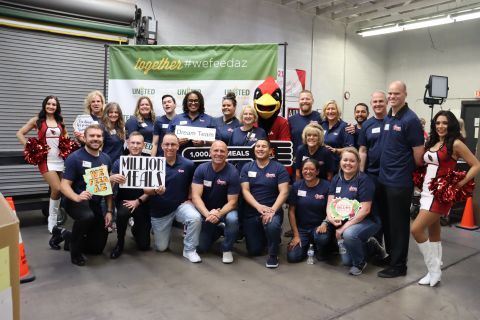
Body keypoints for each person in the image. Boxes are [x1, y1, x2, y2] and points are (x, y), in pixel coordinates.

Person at [411, 111, 480, 286]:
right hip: (426, 191)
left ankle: (434, 269)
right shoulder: (433, 141)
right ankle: (434, 271)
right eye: (438, 123)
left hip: (440, 194)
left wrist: (460, 183)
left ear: (451, 125)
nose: (441, 126)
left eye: (445, 123)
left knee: (416, 229)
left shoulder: (456, 143)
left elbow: (476, 165)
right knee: (434, 231)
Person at [377, 81, 425, 278]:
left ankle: (399, 266)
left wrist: (406, 170)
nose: (392, 96)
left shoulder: (410, 120)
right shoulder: (390, 116)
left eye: (396, 93)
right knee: (388, 222)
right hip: (384, 178)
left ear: (405, 94)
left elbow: (419, 155)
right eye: (390, 93)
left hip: (399, 181)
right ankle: (392, 256)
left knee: (398, 224)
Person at [145, 133, 203, 263]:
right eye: (166, 144)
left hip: (180, 206)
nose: (169, 147)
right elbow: (146, 190)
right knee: (161, 248)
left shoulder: (188, 164)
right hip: (160, 211)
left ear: (178, 146)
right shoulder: (153, 163)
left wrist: (190, 198)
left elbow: (191, 184)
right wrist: (155, 191)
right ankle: (159, 230)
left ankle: (189, 250)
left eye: (173, 144)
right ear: (161, 146)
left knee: (195, 218)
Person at [60, 124, 112, 266]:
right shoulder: (74, 158)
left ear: (102, 138)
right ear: (84, 137)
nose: (95, 139)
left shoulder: (106, 159)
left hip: (94, 202)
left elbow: (107, 188)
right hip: (75, 201)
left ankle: (68, 237)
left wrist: (109, 211)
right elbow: (63, 185)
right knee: (86, 216)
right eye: (92, 136)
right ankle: (75, 253)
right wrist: (77, 197)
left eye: (99, 136)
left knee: (97, 248)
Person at [16, 95, 67, 233]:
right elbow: (20, 133)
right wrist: (31, 147)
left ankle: (55, 218)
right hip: (45, 160)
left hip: (59, 159)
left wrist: (67, 146)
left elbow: (65, 136)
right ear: (44, 105)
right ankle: (52, 220)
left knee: (60, 190)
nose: (51, 106)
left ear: (57, 107)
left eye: (54, 104)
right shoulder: (37, 120)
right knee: (57, 188)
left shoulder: (60, 120)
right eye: (49, 104)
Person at [326, 148, 381, 276]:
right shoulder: (336, 178)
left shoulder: (364, 180)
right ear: (340, 161)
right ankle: (370, 245)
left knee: (349, 234)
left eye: (352, 161)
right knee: (346, 262)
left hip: (368, 220)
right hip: (347, 220)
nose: (348, 163)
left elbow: (365, 210)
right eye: (345, 160)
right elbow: (330, 203)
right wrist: (331, 217)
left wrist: (342, 228)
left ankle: (360, 263)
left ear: (358, 162)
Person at [240, 139, 289, 268]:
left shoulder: (279, 168)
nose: (260, 149)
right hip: (252, 211)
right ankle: (269, 236)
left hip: (272, 210)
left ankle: (273, 254)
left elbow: (284, 192)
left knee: (272, 225)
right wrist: (258, 207)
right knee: (254, 251)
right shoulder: (247, 167)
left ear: (270, 151)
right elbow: (245, 190)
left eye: (264, 147)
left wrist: (272, 210)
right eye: (258, 146)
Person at [192, 140, 240, 263]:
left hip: (226, 211)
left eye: (222, 151)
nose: (219, 153)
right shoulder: (201, 169)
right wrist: (208, 214)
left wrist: (218, 214)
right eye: (216, 150)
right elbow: (196, 196)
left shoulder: (233, 172)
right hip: (206, 212)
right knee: (201, 248)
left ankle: (227, 249)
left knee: (233, 219)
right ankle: (219, 229)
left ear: (227, 154)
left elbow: (233, 202)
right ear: (210, 153)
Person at [109, 132, 152, 259]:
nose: (135, 145)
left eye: (138, 143)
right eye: (132, 143)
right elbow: (109, 190)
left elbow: (152, 190)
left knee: (144, 246)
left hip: (143, 201)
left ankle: (135, 230)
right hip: (124, 200)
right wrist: (111, 178)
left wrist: (138, 201)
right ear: (127, 144)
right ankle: (120, 242)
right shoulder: (119, 162)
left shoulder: (150, 162)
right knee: (122, 213)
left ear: (143, 145)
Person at [358, 91, 388, 249]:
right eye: (375, 102)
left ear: (387, 102)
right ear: (371, 104)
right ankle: (376, 246)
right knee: (374, 212)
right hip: (372, 175)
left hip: (391, 177)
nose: (377, 104)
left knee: (388, 213)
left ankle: (390, 249)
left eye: (380, 101)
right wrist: (361, 175)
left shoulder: (393, 121)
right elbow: (362, 150)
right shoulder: (367, 125)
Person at [287, 159, 332, 263]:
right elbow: (291, 211)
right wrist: (296, 235)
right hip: (302, 229)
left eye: (312, 169)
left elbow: (331, 209)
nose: (308, 172)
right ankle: (307, 244)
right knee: (293, 257)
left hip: (320, 227)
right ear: (301, 171)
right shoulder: (296, 186)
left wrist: (325, 224)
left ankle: (321, 247)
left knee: (322, 242)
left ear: (317, 172)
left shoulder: (327, 186)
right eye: (305, 169)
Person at [229, 105, 267, 170]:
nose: (248, 116)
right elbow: (229, 152)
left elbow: (266, 151)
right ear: (242, 116)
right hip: (237, 170)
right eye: (245, 114)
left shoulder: (261, 132)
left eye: (250, 114)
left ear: (254, 117)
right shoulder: (235, 132)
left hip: (256, 169)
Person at [321, 100, 354, 172]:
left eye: (333, 109)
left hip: (337, 166)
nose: (330, 111)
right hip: (322, 165)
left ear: (337, 111)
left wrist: (336, 150)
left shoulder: (345, 127)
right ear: (324, 111)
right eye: (328, 109)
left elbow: (351, 149)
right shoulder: (322, 125)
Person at [288, 90, 322, 155]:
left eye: (308, 99)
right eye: (302, 99)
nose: (305, 101)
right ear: (299, 101)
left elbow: (333, 123)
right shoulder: (291, 120)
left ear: (312, 101)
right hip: (296, 159)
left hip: (315, 159)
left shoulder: (320, 117)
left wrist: (347, 126)